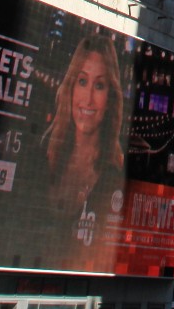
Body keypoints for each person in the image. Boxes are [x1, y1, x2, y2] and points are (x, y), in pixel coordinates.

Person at [36, 34, 127, 269]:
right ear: (71, 87)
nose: (87, 99)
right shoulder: (40, 154)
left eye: (99, 85)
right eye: (82, 81)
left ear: (110, 97)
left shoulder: (115, 174)